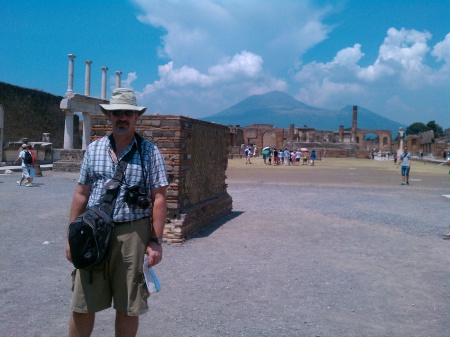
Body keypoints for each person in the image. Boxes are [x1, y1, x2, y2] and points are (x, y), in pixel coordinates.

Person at [65, 88, 168, 337]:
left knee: (128, 305)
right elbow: (81, 194)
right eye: (117, 113)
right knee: (82, 302)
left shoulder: (150, 152)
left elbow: (159, 198)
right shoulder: (94, 150)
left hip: (132, 234)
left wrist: (155, 241)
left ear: (136, 117)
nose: (122, 117)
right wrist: (71, 237)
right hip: (93, 232)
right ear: (109, 117)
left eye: (128, 113)